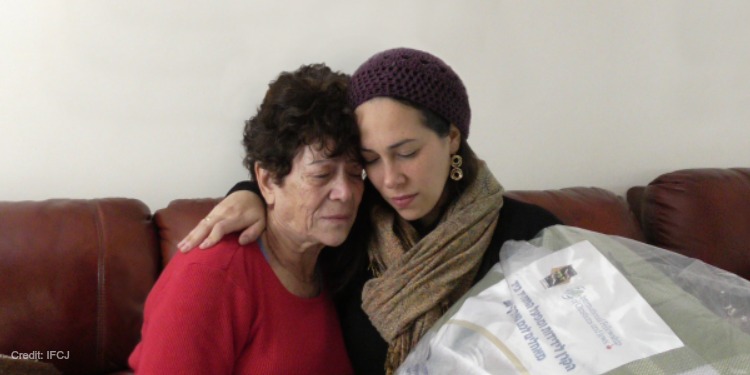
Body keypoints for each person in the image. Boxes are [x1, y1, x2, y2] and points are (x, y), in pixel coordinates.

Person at [178, 48, 562, 375]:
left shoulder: (533, 237)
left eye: (407, 152)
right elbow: (292, 199)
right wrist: (250, 193)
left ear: (453, 136)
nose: (390, 179)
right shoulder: (352, 229)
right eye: (371, 160)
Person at [129, 64, 362, 374]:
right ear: (266, 182)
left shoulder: (337, 260)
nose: (345, 192)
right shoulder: (211, 276)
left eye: (355, 173)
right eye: (321, 175)